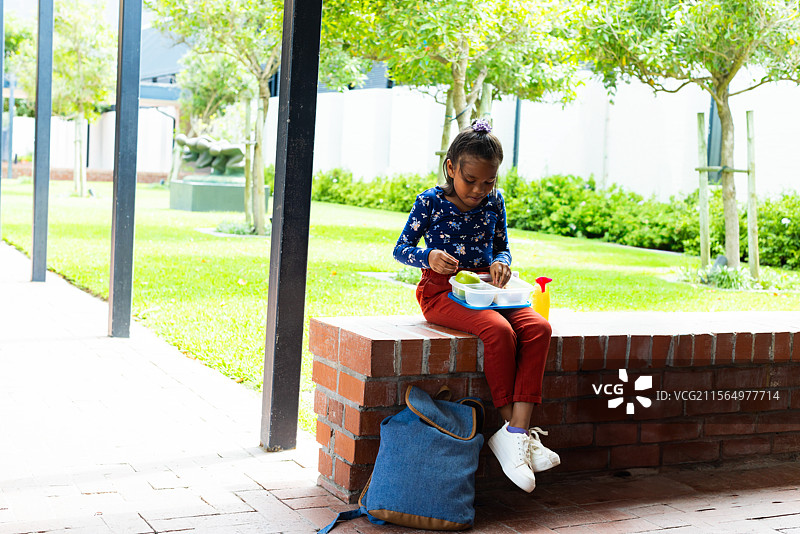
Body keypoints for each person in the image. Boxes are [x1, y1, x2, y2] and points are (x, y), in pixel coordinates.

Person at [393, 118, 558, 493]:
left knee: (538, 328)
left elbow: (502, 244)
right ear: (451, 168)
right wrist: (429, 256)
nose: (480, 190)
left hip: (488, 288)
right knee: (498, 331)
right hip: (442, 292)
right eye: (471, 180)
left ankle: (515, 431)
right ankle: (517, 434)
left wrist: (501, 260)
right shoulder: (429, 202)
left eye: (489, 182)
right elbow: (401, 248)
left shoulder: (494, 202)